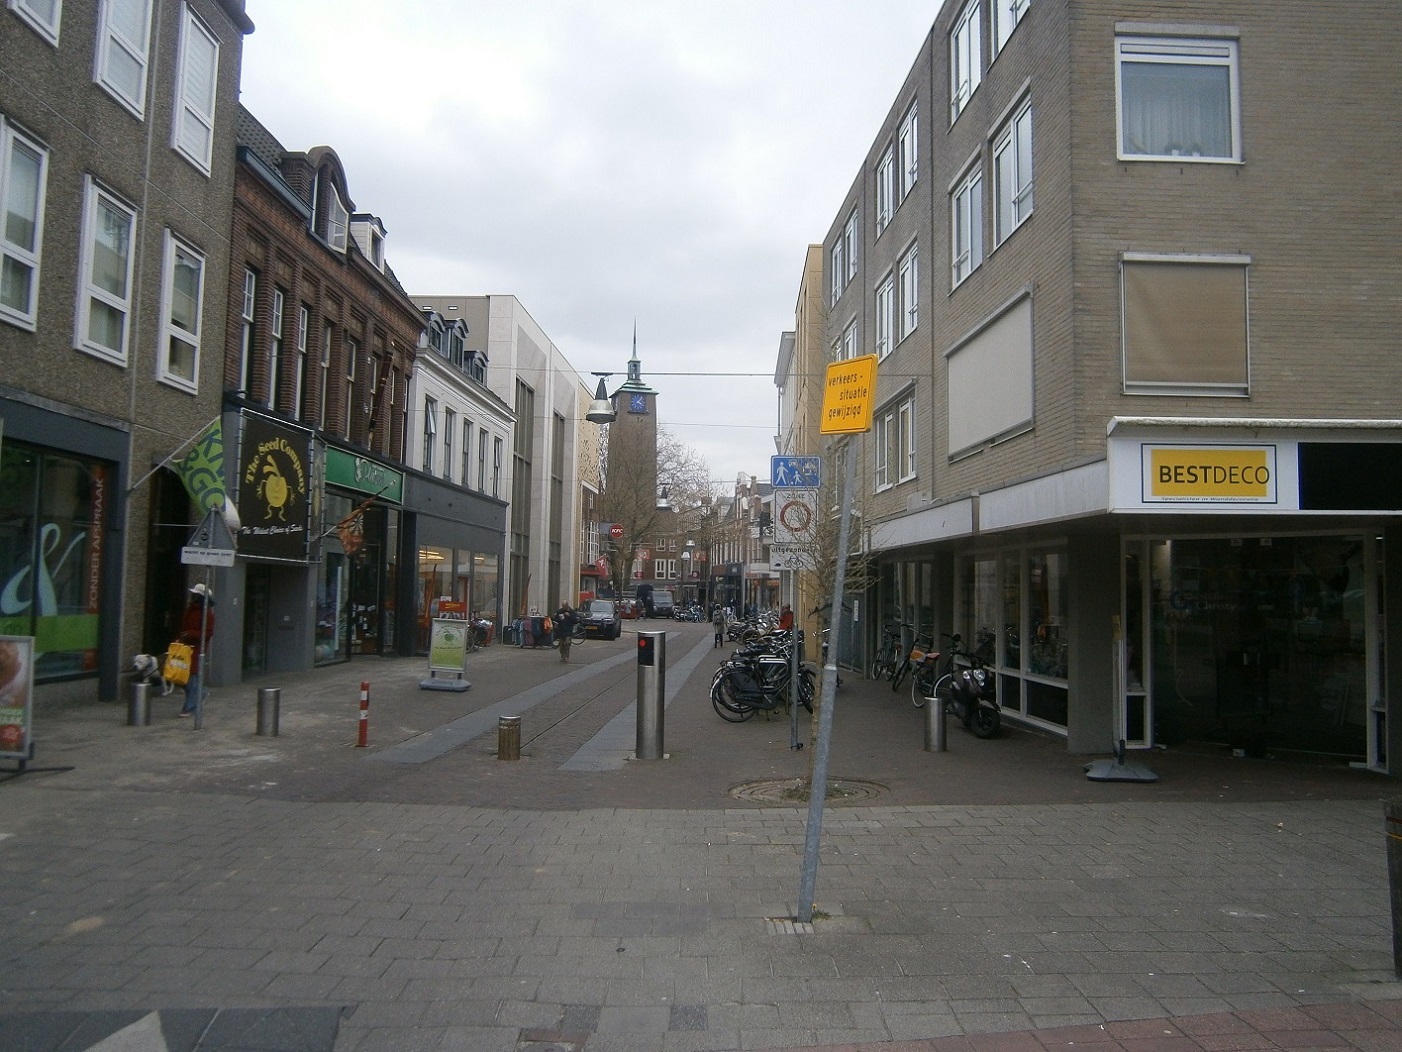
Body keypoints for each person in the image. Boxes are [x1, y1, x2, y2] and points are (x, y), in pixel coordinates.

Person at [178, 583, 215, 716]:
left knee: (193, 677)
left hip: (197, 649)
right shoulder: (190, 609)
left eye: (195, 594)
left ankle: (190, 707)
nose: (192, 595)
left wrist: (191, 634)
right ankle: (201, 692)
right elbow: (184, 626)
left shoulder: (207, 614)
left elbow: (208, 632)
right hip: (185, 647)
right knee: (180, 676)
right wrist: (180, 638)